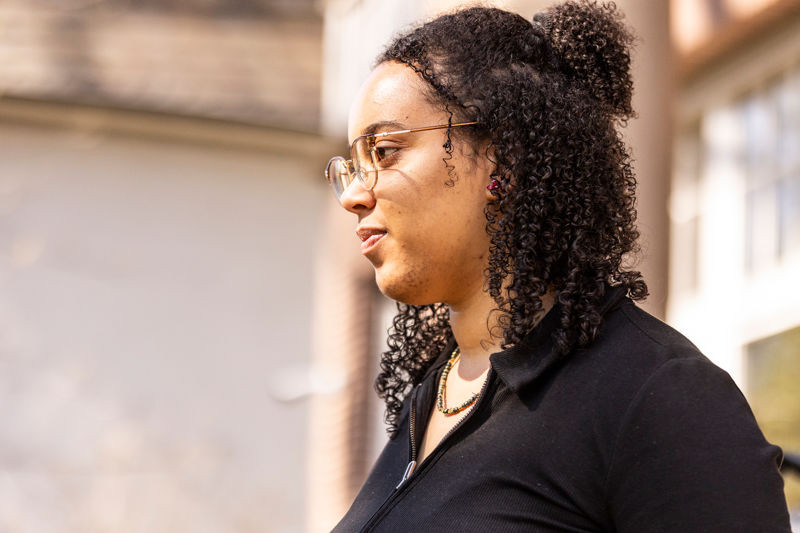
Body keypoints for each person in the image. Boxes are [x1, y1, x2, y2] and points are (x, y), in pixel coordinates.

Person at [324, 1, 791, 531]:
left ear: (504, 159)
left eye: (385, 152)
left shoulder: (656, 395)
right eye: (351, 167)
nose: (354, 195)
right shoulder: (431, 396)